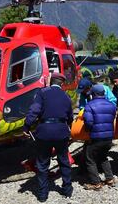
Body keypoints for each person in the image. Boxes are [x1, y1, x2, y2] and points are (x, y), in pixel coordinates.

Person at [23, 73, 74, 202]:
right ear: (62, 84)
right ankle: (67, 190)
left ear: (50, 82)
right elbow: (70, 116)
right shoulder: (66, 96)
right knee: (64, 161)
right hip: (61, 131)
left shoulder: (42, 93)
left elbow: (34, 110)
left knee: (42, 164)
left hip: (44, 132)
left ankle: (42, 195)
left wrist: (27, 127)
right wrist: (68, 126)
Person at [82, 84, 117, 190]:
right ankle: (110, 179)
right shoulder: (111, 105)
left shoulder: (90, 105)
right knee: (103, 157)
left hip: (96, 137)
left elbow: (88, 121)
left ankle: (95, 182)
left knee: (90, 158)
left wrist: (88, 131)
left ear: (94, 94)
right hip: (109, 137)